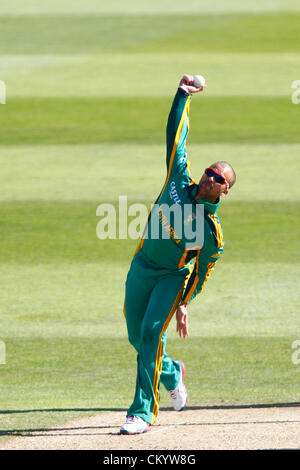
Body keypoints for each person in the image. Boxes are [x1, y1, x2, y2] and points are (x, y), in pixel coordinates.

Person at [120, 75, 236, 435]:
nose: (210, 176)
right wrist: (183, 94)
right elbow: (176, 136)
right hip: (142, 264)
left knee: (151, 336)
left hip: (171, 278)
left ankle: (142, 412)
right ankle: (172, 372)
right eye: (210, 170)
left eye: (218, 177)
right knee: (137, 338)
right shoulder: (177, 177)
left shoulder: (211, 230)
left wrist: (184, 302)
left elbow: (203, 270)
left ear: (225, 190)